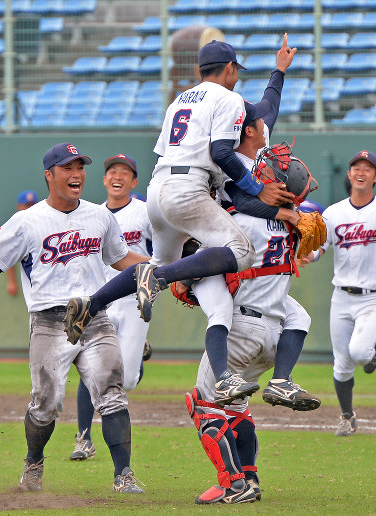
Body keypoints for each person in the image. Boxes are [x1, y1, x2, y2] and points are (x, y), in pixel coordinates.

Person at [63, 37, 300, 406]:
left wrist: (279, 71)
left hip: (159, 188)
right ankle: (157, 280)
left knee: (162, 265)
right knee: (241, 251)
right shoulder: (230, 102)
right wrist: (260, 189)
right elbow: (224, 153)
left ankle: (90, 304)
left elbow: (265, 110)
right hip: (189, 189)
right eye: (236, 70)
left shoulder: (181, 100)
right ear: (229, 69)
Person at [0, 142, 147, 493]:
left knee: (112, 393)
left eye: (80, 167)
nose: (77, 174)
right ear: (49, 174)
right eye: (68, 168)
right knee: (46, 403)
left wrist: (163, 269)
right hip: (49, 320)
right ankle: (34, 461)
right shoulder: (27, 220)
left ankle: (124, 475)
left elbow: (119, 258)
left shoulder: (99, 215)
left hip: (94, 315)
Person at [185, 133, 320, 505]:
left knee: (204, 404)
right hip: (277, 331)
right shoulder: (294, 225)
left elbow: (204, 254)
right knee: (238, 407)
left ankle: (233, 483)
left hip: (241, 328)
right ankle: (252, 479)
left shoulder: (240, 219)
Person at [300, 150, 376, 437]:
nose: (361, 172)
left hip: (375, 295)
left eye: (367, 168)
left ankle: (372, 350)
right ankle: (347, 416)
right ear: (350, 175)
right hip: (341, 295)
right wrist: (306, 255)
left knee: (358, 352)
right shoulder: (333, 213)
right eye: (356, 167)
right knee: (341, 366)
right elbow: (320, 247)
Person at [69, 154, 154, 462]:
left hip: (133, 300)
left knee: (127, 380)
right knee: (88, 366)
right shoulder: (91, 215)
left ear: (133, 182)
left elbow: (164, 250)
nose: (117, 176)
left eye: (125, 172)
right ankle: (83, 438)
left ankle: (137, 356)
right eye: (112, 172)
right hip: (99, 300)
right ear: (104, 180)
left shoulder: (144, 212)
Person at [5, 190, 38, 297]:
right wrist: (12, 282)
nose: (29, 208)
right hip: (30, 282)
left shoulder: (42, 224)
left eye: (32, 205)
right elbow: (8, 254)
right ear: (19, 206)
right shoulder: (16, 228)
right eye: (26, 205)